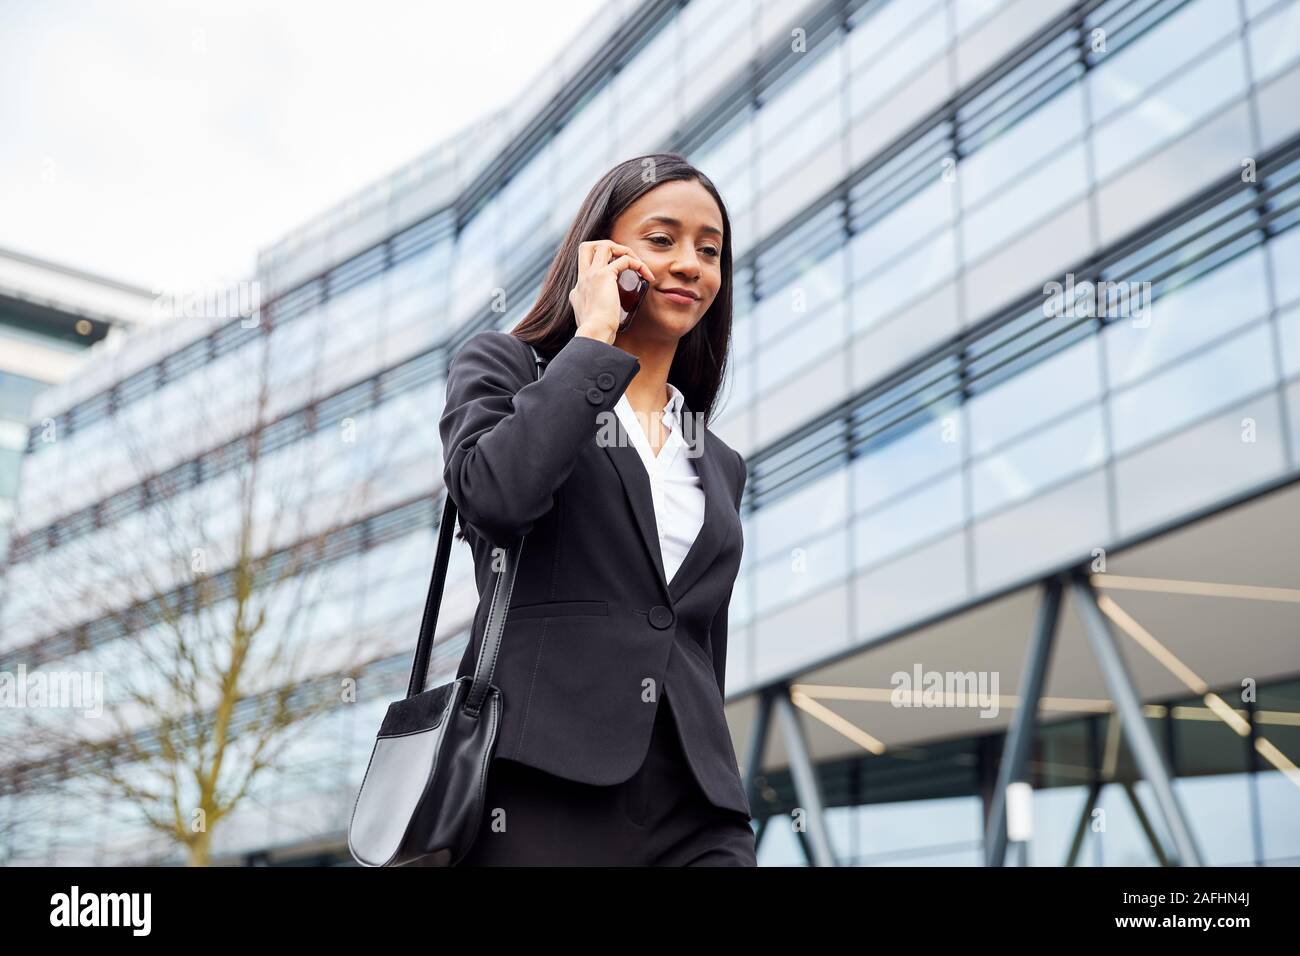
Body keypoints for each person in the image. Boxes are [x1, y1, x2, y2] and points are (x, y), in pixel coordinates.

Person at [441, 153, 755, 865]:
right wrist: (592, 341)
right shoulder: (505, 370)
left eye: (710, 251)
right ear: (602, 253)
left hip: (696, 807)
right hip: (545, 781)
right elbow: (497, 496)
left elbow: (701, 642)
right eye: (662, 238)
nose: (690, 264)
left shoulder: (716, 458)